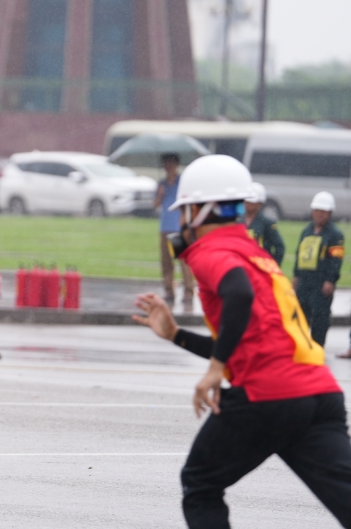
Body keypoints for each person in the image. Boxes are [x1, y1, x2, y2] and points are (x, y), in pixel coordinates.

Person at [133, 154, 351, 528]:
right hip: (319, 396)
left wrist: (215, 369)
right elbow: (247, 341)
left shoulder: (210, 251)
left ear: (203, 210)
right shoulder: (255, 253)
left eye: (186, 210)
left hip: (270, 397)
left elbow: (237, 294)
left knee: (200, 482)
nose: (182, 221)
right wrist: (175, 335)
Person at [293, 191, 344, 348]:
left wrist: (330, 279)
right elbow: (299, 252)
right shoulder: (307, 230)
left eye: (323, 212)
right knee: (301, 314)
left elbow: (336, 259)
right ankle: (301, 345)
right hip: (305, 280)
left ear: (329, 213)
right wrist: (296, 275)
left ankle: (317, 346)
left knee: (320, 316)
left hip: (321, 282)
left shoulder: (335, 235)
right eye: (317, 211)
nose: (319, 215)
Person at [154, 153, 195, 312]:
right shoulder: (161, 184)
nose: (168, 167)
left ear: (176, 165)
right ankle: (169, 290)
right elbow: (155, 204)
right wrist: (160, 194)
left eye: (171, 163)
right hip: (165, 226)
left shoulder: (182, 183)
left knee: (183, 261)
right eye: (165, 164)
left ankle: (188, 291)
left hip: (178, 227)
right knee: (166, 262)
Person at [244, 182, 284, 264]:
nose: (247, 204)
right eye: (246, 201)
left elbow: (279, 247)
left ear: (259, 203)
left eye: (251, 202)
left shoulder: (267, 223)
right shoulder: (238, 221)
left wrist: (273, 265)